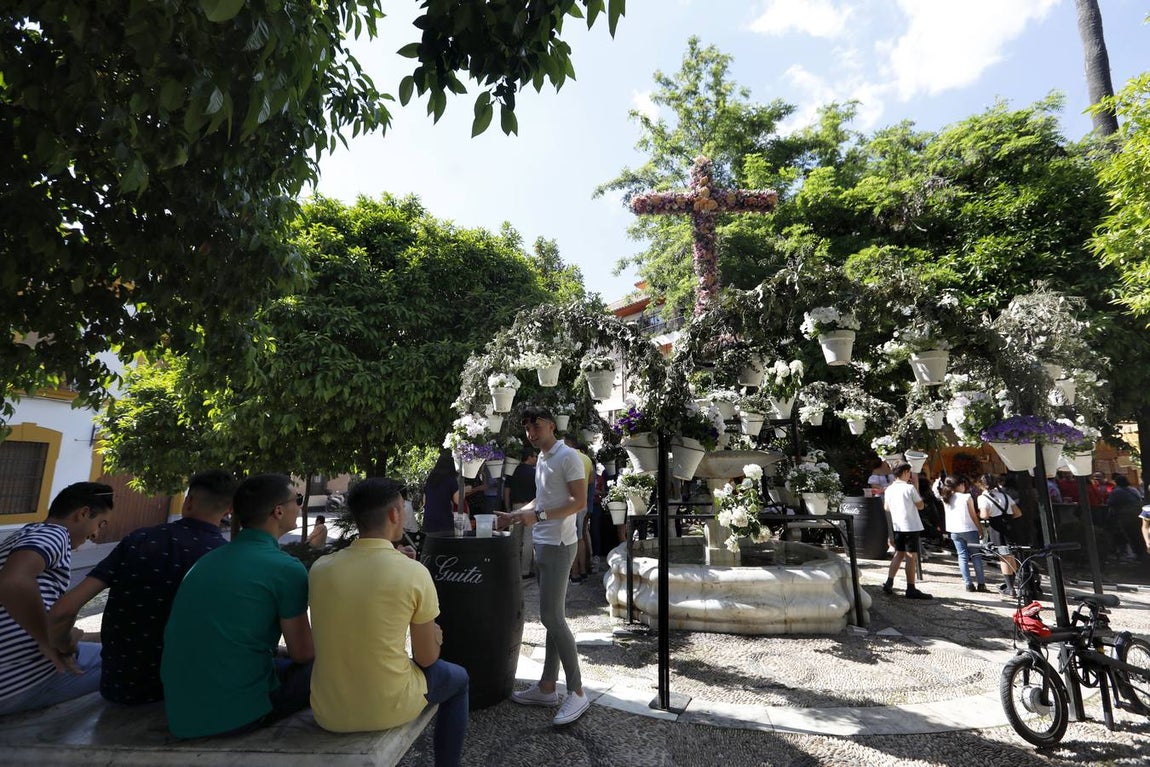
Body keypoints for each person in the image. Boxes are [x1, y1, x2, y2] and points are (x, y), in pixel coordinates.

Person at [310, 478, 468, 767]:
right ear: (395, 514)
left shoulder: (320, 569)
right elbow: (427, 658)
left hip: (328, 711)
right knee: (459, 679)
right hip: (387, 706)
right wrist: (434, 634)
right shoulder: (413, 573)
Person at [47, 470, 236, 705]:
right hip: (185, 689)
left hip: (121, 686)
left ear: (188, 501)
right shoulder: (226, 557)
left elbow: (63, 610)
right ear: (229, 511)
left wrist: (65, 646)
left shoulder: (140, 539)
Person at [161, 474, 313, 738]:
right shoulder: (286, 568)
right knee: (334, 664)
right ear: (278, 511)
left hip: (180, 712)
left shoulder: (206, 561)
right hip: (236, 715)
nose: (298, 505)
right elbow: (303, 654)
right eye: (296, 499)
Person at [496, 406, 590, 726]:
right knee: (553, 617)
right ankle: (548, 686)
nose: (531, 433)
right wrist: (515, 515)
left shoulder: (567, 457)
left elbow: (579, 502)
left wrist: (537, 517)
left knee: (551, 617)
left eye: (536, 426)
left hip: (560, 546)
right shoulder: (543, 459)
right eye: (527, 428)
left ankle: (576, 692)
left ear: (551, 425)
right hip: (543, 543)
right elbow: (542, 500)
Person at [0, 482, 114, 715]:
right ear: (83, 514)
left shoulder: (21, 535)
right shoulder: (55, 535)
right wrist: (48, 639)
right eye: (99, 524)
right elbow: (13, 581)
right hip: (17, 681)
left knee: (100, 646)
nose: (95, 534)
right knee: (135, 665)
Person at [881, 463, 932, 599]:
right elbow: (920, 505)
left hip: (898, 525)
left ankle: (889, 582)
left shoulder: (889, 489)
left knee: (899, 554)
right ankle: (911, 587)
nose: (909, 475)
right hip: (910, 525)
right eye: (909, 472)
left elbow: (886, 507)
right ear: (905, 472)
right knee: (911, 556)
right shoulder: (909, 488)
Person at [975, 473, 1023, 598]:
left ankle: (1010, 588)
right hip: (1010, 526)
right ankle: (1015, 584)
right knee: (1011, 555)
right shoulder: (1005, 495)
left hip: (997, 528)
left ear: (981, 485)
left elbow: (984, 515)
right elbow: (1018, 513)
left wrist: (980, 514)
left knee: (1004, 557)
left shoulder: (983, 498)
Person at [938, 476, 986, 592]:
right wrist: (980, 529)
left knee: (962, 556)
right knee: (976, 556)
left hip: (954, 530)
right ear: (959, 485)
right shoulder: (966, 497)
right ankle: (981, 583)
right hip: (969, 529)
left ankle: (968, 583)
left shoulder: (945, 498)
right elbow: (973, 515)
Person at [564, 434, 595, 583]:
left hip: (570, 504)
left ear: (568, 443)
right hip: (582, 503)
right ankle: (582, 570)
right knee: (580, 538)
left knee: (571, 538)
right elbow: (591, 481)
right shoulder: (587, 459)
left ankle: (574, 573)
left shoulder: (567, 457)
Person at [504, 447, 538, 578]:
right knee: (529, 539)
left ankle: (513, 568)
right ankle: (525, 570)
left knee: (515, 539)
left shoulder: (513, 471)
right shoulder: (535, 473)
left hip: (515, 507)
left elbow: (506, 490)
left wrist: (508, 508)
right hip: (530, 508)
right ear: (529, 457)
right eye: (534, 456)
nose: (536, 458)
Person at [1106, 475, 1141, 562]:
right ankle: (1141, 553)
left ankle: (1135, 553)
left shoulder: (1116, 491)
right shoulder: (1133, 490)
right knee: (1138, 534)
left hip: (1125, 515)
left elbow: (1110, 503)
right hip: (1137, 513)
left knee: (1129, 535)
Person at [423, 449, 459, 534]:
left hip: (429, 519)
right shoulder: (451, 480)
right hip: (444, 520)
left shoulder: (430, 479)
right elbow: (458, 500)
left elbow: (424, 501)